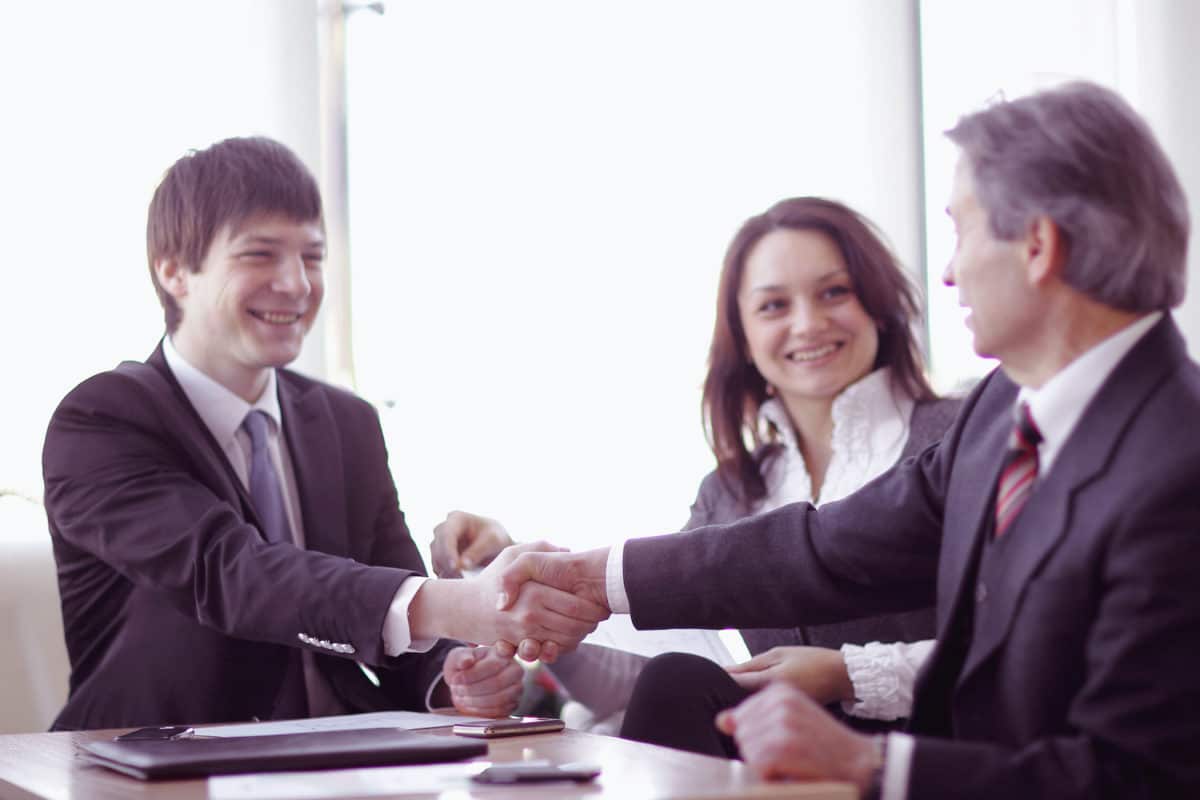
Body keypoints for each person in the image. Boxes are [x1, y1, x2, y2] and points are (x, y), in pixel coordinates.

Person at [497, 81, 1200, 798]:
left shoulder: (1179, 467)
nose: (950, 272)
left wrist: (872, 764)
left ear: (1038, 245)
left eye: (959, 231)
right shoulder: (1004, 406)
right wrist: (595, 578)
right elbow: (832, 547)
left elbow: (1138, 779)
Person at [41, 136, 605, 731]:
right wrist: (463, 607)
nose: (297, 284)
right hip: (161, 759)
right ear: (175, 270)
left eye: (312, 257)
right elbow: (232, 573)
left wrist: (455, 677)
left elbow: (395, 606)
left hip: (345, 757)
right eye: (260, 255)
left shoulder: (346, 423)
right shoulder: (103, 420)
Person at [433, 197, 960, 728]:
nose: (808, 323)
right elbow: (649, 677)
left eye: (834, 292)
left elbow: (1020, 659)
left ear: (879, 305)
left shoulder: (962, 438)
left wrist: (847, 673)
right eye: (774, 305)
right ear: (744, 338)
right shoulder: (731, 491)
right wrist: (520, 583)